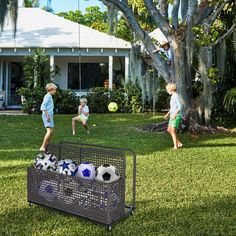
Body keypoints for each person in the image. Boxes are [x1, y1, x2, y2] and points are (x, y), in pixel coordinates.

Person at [39, 83, 57, 151]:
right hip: (47, 115)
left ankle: (46, 145)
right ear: (51, 90)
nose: (55, 91)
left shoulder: (49, 96)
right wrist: (47, 115)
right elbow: (43, 107)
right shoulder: (47, 96)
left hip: (50, 115)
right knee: (49, 131)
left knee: (51, 131)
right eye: (55, 90)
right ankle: (42, 147)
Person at [164, 83, 183, 149]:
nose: (167, 91)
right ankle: (179, 143)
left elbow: (180, 107)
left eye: (167, 90)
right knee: (169, 130)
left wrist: (175, 115)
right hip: (172, 115)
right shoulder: (173, 96)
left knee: (172, 131)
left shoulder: (176, 95)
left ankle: (175, 146)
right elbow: (172, 107)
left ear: (171, 89)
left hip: (176, 116)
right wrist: (167, 114)